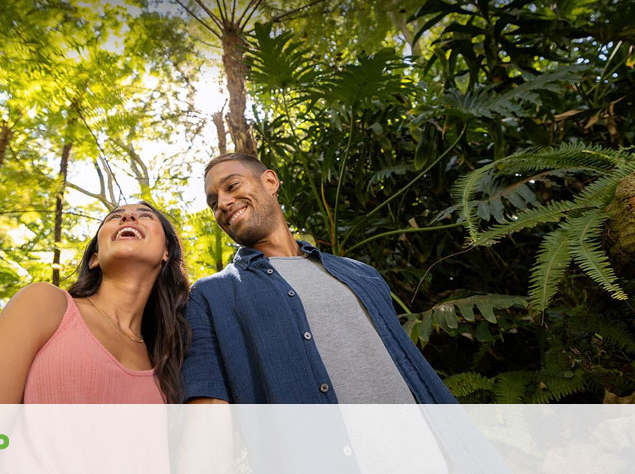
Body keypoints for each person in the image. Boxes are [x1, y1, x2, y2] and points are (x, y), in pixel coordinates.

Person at [182, 153, 457, 405]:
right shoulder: (211, 295)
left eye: (232, 186)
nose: (224, 204)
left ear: (270, 181)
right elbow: (208, 403)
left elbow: (408, 364)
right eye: (214, 203)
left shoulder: (361, 273)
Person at [0, 202, 189, 404]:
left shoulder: (168, 361)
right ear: (95, 259)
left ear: (165, 252)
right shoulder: (45, 304)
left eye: (145, 216)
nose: (128, 217)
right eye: (114, 217)